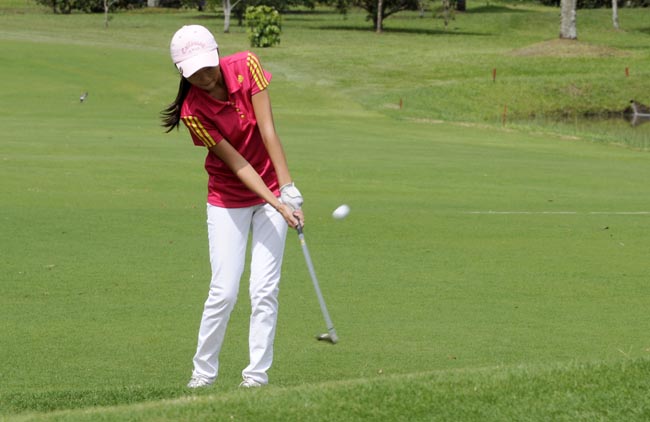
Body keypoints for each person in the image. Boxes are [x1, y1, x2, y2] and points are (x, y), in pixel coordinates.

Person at [161, 25, 304, 389]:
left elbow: (268, 131)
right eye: (194, 73)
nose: (204, 78)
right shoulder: (193, 111)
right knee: (224, 290)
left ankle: (255, 378)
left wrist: (287, 189)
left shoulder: (247, 65)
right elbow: (238, 164)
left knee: (264, 290)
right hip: (228, 198)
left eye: (207, 68)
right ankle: (202, 374)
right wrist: (278, 202)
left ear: (217, 54)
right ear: (182, 71)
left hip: (273, 189)